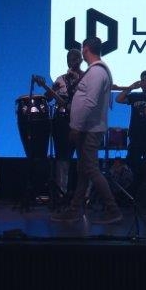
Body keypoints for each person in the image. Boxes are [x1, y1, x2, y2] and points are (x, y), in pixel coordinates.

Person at [52, 36, 122, 224]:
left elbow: (90, 103)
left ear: (86, 49)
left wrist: (76, 127)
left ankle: (113, 209)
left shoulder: (96, 72)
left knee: (90, 169)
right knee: (83, 169)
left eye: (82, 49)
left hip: (89, 129)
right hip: (88, 128)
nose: (81, 52)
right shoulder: (94, 71)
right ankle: (75, 209)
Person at [49, 48, 84, 195]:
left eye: (74, 59)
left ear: (81, 60)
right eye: (69, 59)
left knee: (84, 159)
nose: (71, 62)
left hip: (82, 122)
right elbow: (48, 98)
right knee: (62, 157)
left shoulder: (86, 78)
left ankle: (83, 195)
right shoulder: (60, 79)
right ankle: (61, 193)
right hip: (62, 122)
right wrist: (52, 89)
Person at [117, 70, 146, 187]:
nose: (145, 83)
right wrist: (131, 87)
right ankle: (132, 191)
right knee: (131, 166)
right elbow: (118, 99)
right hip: (135, 136)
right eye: (143, 81)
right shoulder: (135, 96)